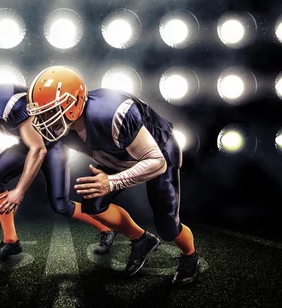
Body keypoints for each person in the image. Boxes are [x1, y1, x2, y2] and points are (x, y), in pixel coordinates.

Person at [26, 65, 199, 285]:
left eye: (50, 111)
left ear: (74, 103)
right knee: (92, 205)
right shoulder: (63, 126)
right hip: (116, 154)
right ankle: (141, 239)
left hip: (158, 151)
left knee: (167, 225)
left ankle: (190, 256)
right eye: (41, 112)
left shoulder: (112, 113)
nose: (44, 119)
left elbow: (157, 163)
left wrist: (112, 181)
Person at [0, 57, 117, 263]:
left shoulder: (11, 103)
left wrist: (19, 191)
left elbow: (38, 148)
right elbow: (28, 141)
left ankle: (107, 228)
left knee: (61, 205)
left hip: (50, 145)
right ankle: (10, 241)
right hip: (30, 142)